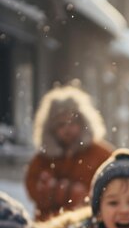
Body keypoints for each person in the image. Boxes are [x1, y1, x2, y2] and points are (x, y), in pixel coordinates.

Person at [25, 84, 113, 220]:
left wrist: (62, 191)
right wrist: (65, 192)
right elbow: (33, 188)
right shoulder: (43, 158)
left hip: (88, 226)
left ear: (83, 123)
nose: (67, 129)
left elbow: (110, 189)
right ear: (51, 128)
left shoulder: (100, 154)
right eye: (61, 124)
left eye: (72, 122)